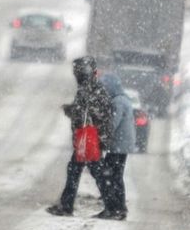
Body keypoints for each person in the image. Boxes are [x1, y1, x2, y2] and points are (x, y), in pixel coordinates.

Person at [47, 56, 115, 218]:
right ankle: (68, 205)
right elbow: (93, 112)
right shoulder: (93, 88)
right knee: (80, 171)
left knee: (90, 172)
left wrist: (72, 111)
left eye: (78, 71)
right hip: (90, 139)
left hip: (90, 140)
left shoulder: (90, 89)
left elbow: (91, 113)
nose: (76, 74)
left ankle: (111, 207)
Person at [98, 72, 137, 220]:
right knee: (114, 175)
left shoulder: (118, 102)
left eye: (104, 87)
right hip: (121, 144)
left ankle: (115, 208)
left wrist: (101, 135)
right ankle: (116, 208)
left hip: (119, 145)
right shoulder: (122, 99)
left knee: (110, 175)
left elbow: (112, 124)